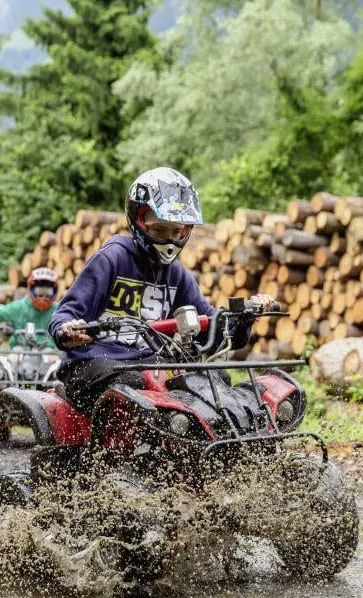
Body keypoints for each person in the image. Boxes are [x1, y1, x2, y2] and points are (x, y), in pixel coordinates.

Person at [49, 167, 273, 414]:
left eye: (176, 232)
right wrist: (66, 329)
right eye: (159, 230)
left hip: (147, 364)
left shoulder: (176, 274)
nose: (168, 240)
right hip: (90, 362)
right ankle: (115, 453)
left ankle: (208, 444)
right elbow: (65, 312)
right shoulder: (111, 259)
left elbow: (210, 331)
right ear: (139, 220)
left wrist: (243, 319)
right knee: (132, 384)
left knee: (213, 377)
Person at [0, 268, 60, 348]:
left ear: (54, 292)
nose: (43, 298)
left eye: (48, 294)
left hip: (48, 352)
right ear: (31, 290)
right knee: (11, 356)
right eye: (39, 293)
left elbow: (69, 318)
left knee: (52, 356)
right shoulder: (18, 307)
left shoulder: (58, 310)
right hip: (19, 350)